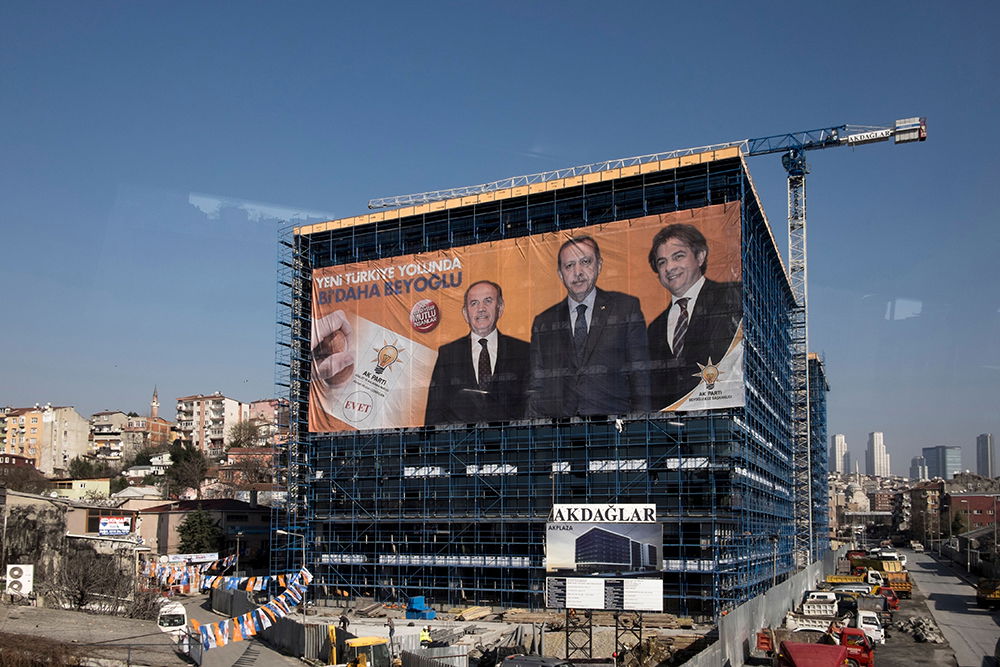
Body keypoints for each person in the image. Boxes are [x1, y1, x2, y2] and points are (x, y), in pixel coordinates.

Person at [526, 235, 650, 417]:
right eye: (569, 266)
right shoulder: (544, 322)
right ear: (560, 274)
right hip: (561, 432)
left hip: (614, 427)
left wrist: (641, 426)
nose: (578, 272)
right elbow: (537, 384)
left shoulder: (626, 308)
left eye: (585, 262)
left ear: (599, 265)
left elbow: (641, 375)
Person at [645, 224, 741, 409]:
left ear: (700, 256)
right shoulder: (655, 327)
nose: (669, 267)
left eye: (678, 256)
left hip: (722, 411)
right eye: (662, 262)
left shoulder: (732, 296)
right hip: (669, 423)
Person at [424, 280, 530, 425]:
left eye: (488, 301)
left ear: (500, 308)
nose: (481, 308)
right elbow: (435, 411)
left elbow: (531, 406)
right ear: (465, 313)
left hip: (510, 443)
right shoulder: (448, 354)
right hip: (462, 445)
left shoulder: (523, 351)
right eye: (474, 303)